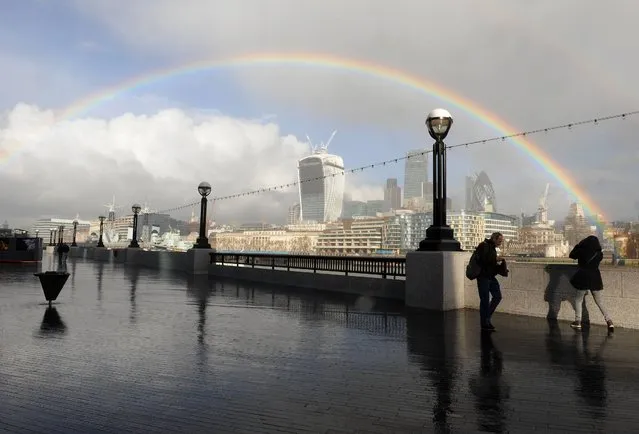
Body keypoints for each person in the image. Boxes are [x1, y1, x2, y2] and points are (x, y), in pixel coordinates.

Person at [569, 235, 614, 331]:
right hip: (595, 278)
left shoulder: (581, 251)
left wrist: (578, 245)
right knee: (599, 301)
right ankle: (609, 321)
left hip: (583, 278)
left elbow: (571, 255)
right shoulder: (599, 254)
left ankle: (577, 322)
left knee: (578, 300)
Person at [474, 232, 505, 331]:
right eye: (499, 240)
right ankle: (485, 323)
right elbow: (482, 260)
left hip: (490, 276)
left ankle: (487, 318)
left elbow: (489, 262)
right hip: (483, 277)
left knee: (497, 296)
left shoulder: (492, 248)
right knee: (485, 300)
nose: (500, 243)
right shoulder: (483, 245)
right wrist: (496, 259)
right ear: (494, 239)